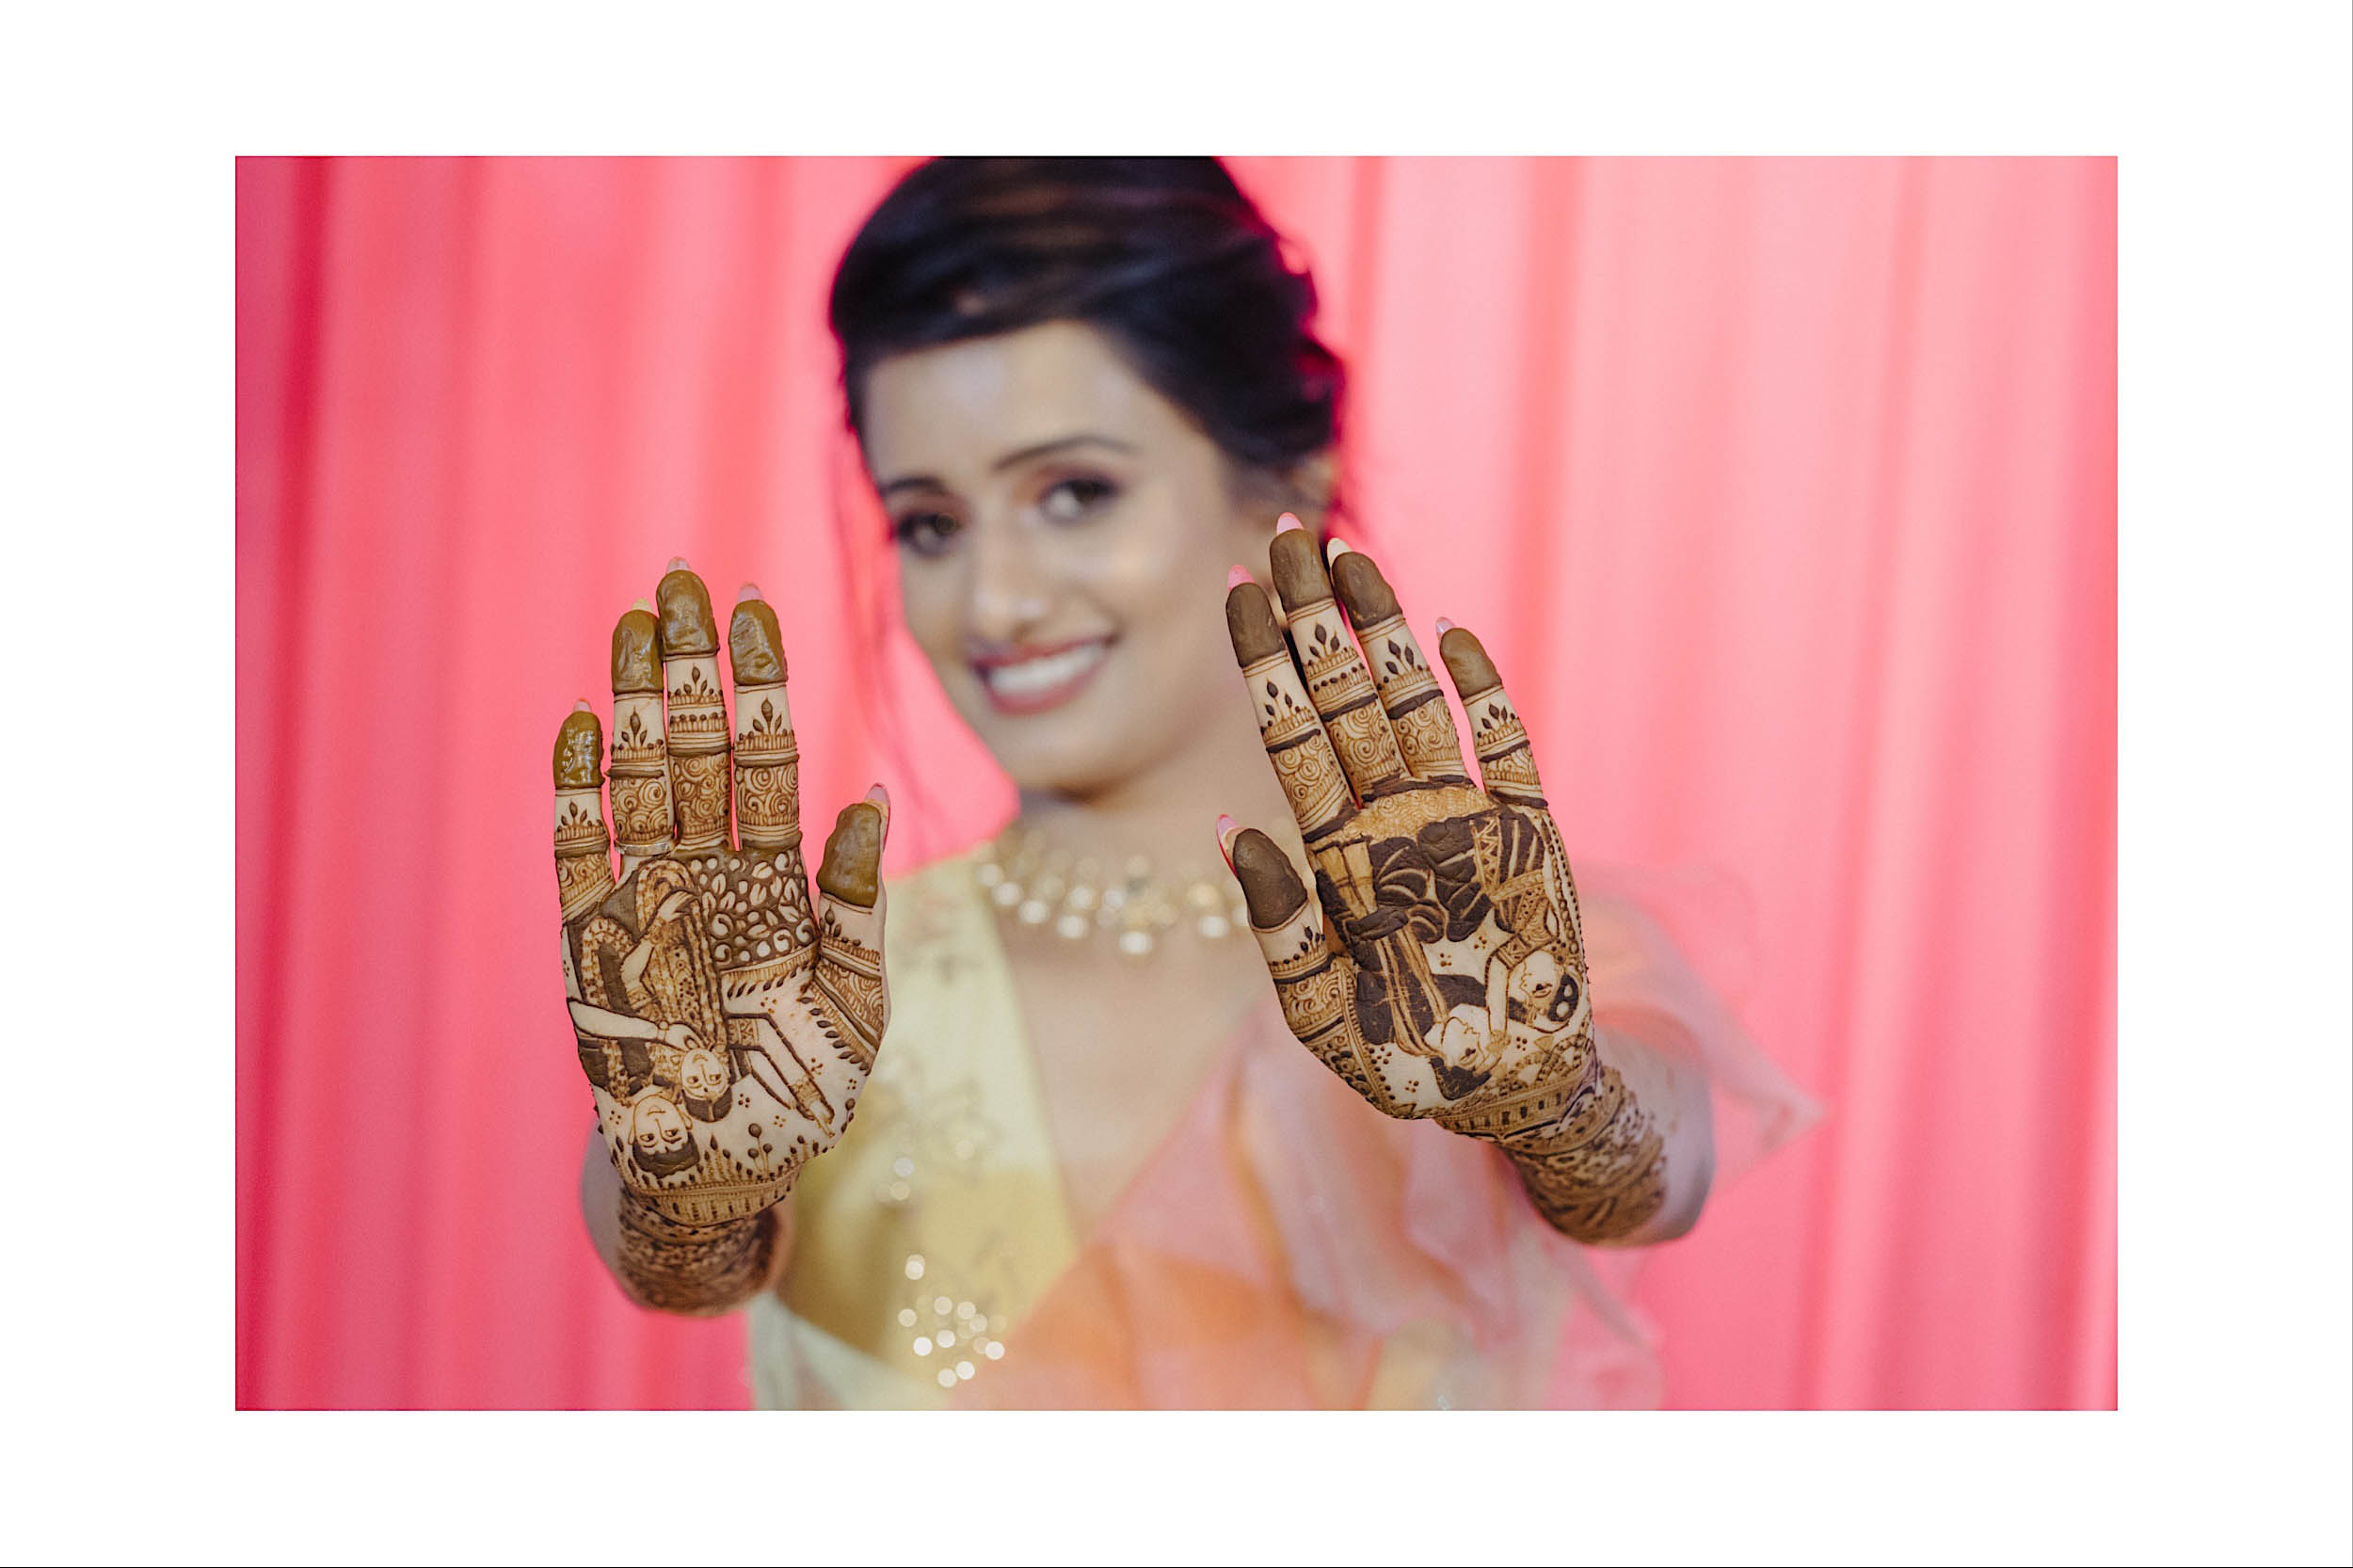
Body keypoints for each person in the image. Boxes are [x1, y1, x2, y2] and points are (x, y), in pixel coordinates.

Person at [551, 156, 1817, 1407]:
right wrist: (681, 1195)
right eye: (930, 522)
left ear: (1289, 481)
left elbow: (1658, 1173)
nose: (993, 601)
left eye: (1075, 493)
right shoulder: (810, 1006)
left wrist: (1553, 1097)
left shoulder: (1469, 954)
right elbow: (677, 1260)